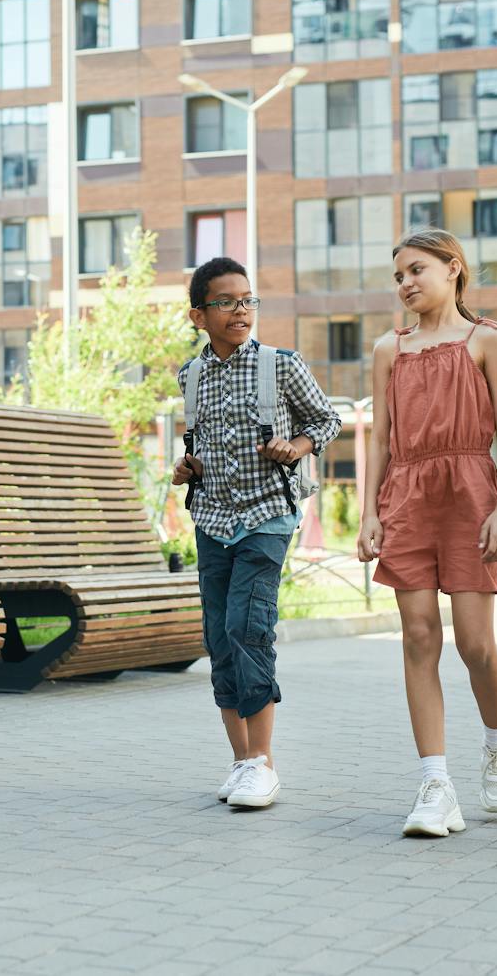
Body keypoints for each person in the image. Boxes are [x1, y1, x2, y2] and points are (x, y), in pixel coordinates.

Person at [357, 228, 497, 838]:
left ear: (453, 268)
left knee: (475, 644)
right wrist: (370, 512)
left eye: (416, 270)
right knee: (419, 635)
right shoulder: (388, 349)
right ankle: (435, 784)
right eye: (398, 275)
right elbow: (380, 438)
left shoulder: (486, 339)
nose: (405, 283)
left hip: (470, 492)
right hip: (407, 496)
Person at [173, 257, 341, 810]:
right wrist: (188, 466)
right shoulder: (190, 376)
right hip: (212, 518)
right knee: (219, 637)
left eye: (247, 300)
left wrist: (297, 446)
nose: (240, 310)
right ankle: (242, 761)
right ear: (199, 315)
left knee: (248, 627)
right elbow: (203, 442)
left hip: (266, 516)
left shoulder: (280, 365)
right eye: (225, 302)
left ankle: (263, 763)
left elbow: (326, 420)